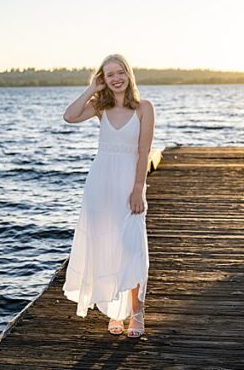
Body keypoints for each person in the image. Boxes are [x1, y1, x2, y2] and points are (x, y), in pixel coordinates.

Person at [62, 53, 154, 338]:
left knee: (132, 247)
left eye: (120, 72)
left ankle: (136, 312)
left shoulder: (144, 108)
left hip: (129, 184)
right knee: (107, 246)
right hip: (100, 184)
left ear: (129, 74)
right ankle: (115, 310)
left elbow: (144, 152)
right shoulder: (99, 107)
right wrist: (92, 88)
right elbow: (69, 116)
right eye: (109, 74)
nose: (116, 79)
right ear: (103, 79)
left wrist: (137, 189)